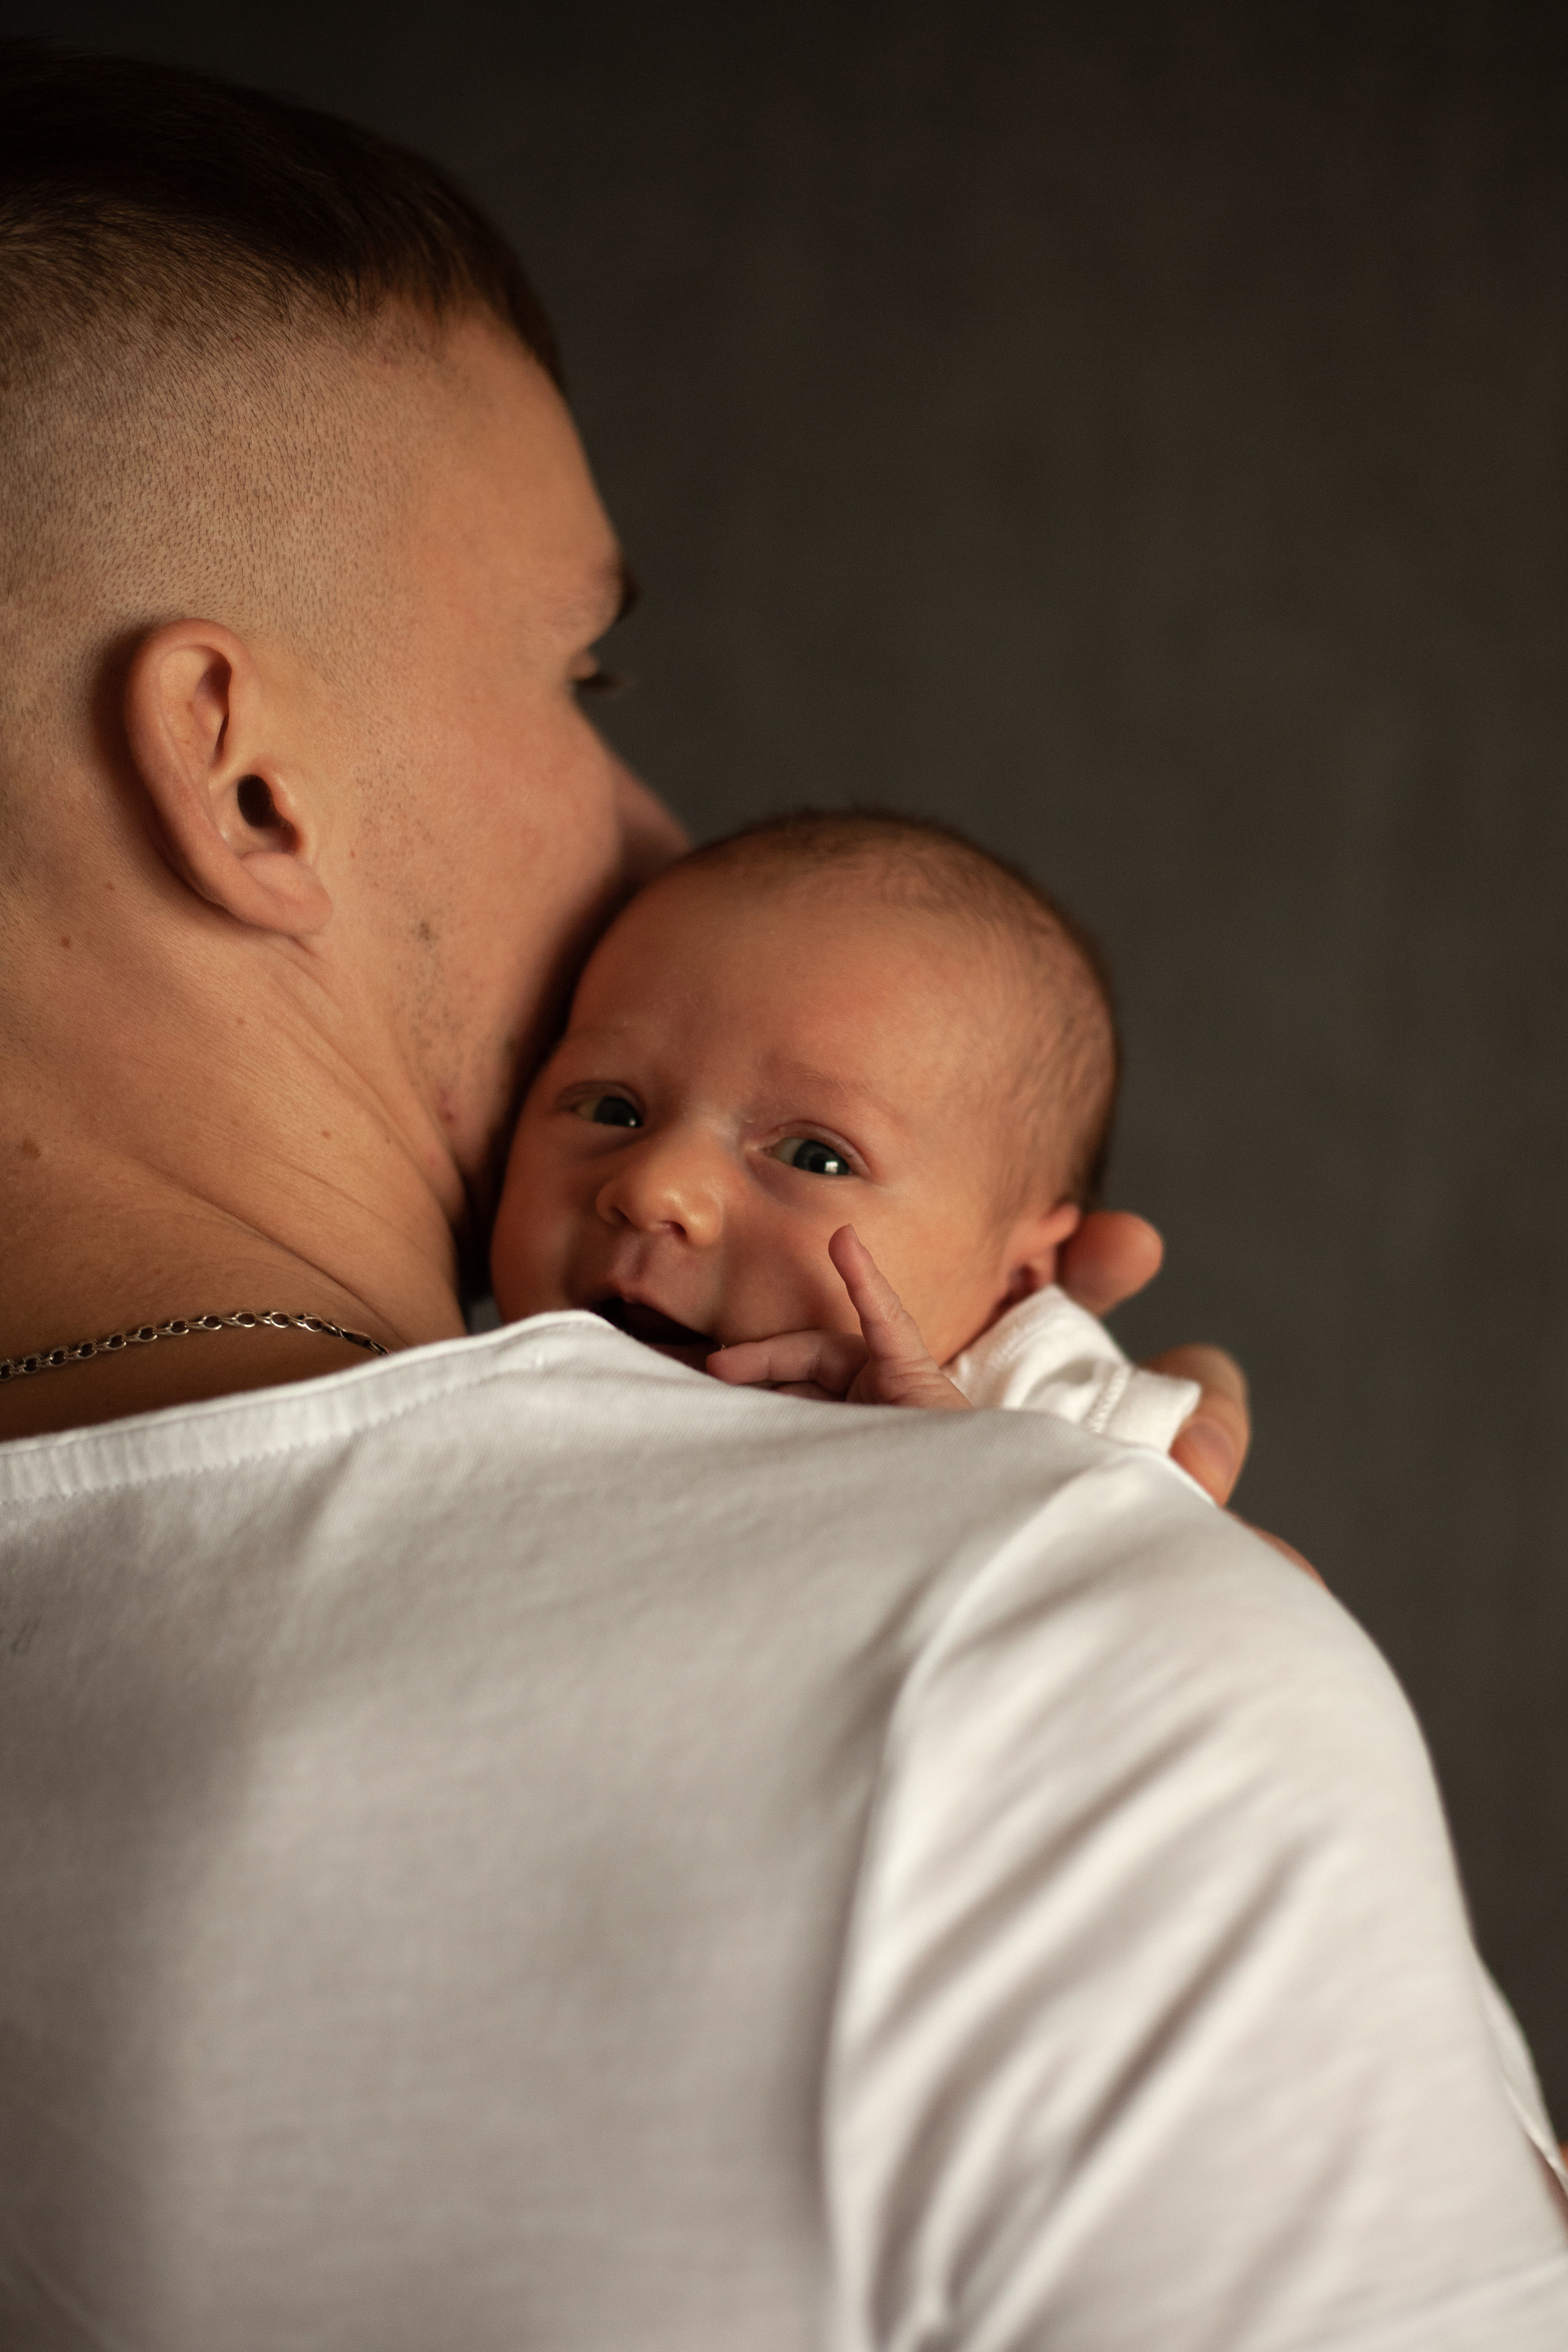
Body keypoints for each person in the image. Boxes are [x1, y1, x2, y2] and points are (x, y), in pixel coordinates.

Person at [0, 45, 1564, 2352]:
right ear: (244, 778)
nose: (656, 832)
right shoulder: (1026, 1675)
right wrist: (1151, 1660)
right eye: (578, 671)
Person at [494, 805, 1203, 1442]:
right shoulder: (467, 1394)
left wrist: (959, 1467)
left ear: (1016, 1284)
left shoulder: (1048, 1422)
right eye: (610, 1109)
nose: (654, 1188)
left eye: (814, 1157)